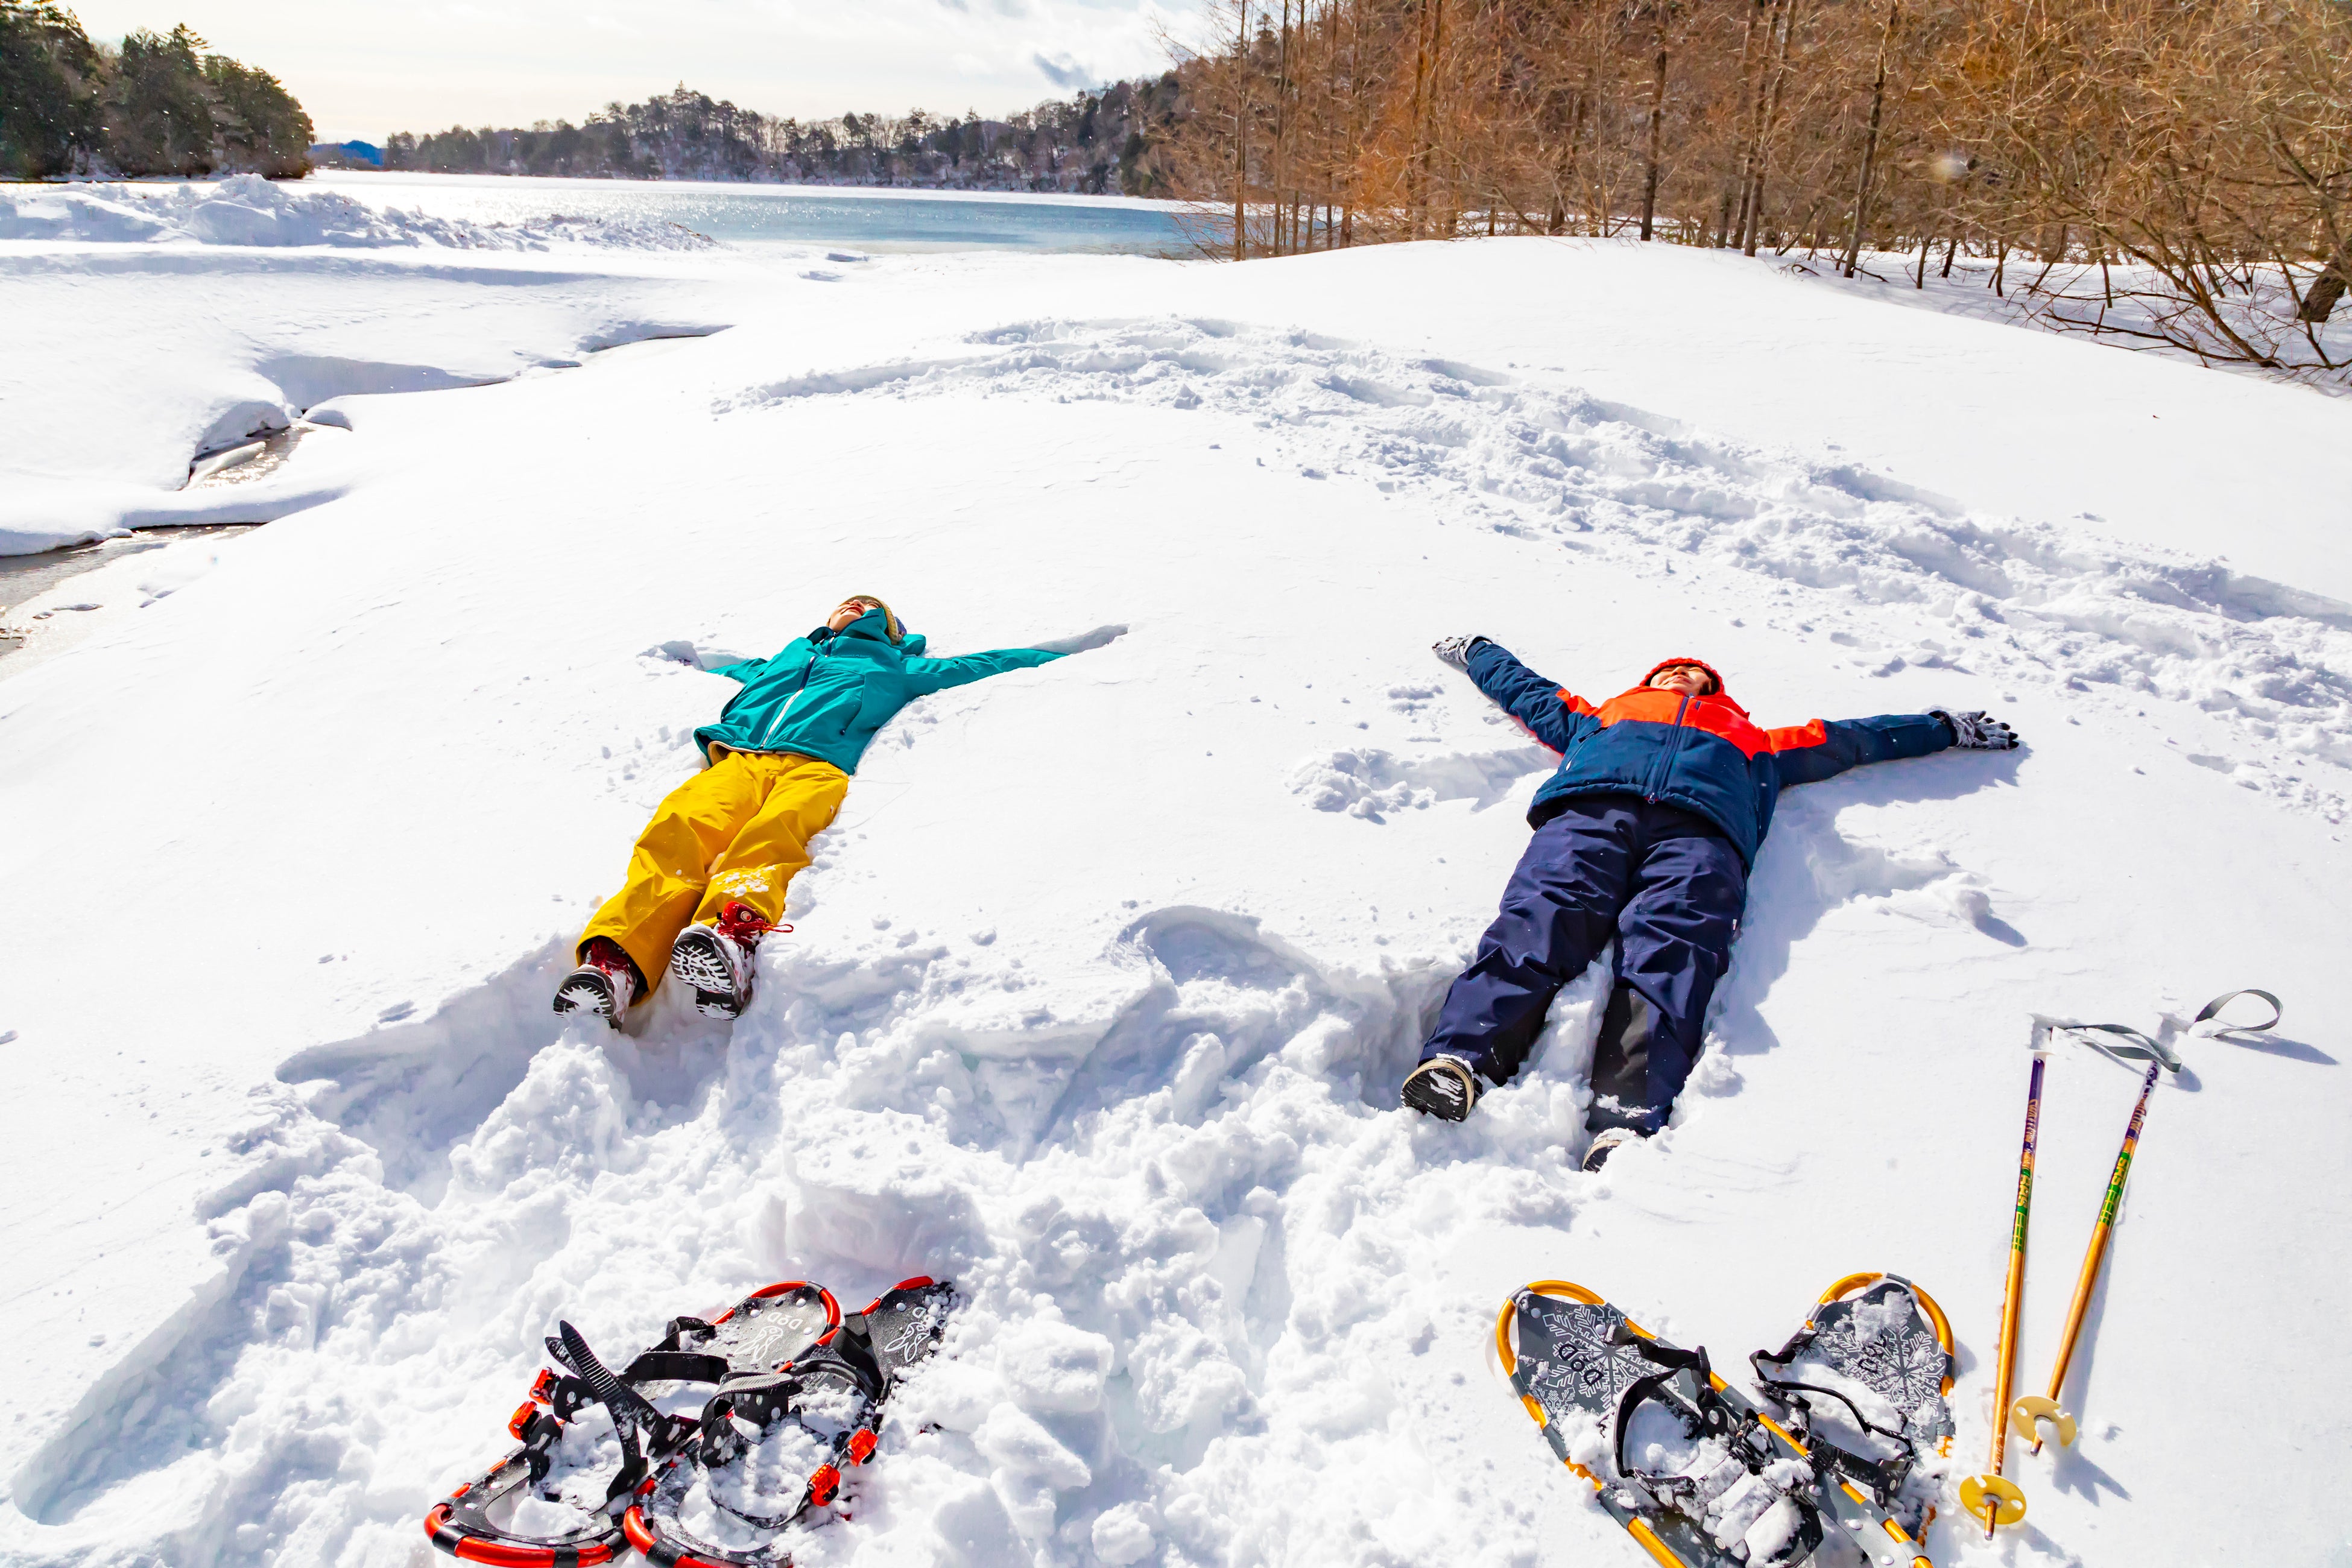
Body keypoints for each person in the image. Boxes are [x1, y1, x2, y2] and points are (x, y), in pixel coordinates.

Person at [1400, 639, 2019, 1168]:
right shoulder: (1604, 716)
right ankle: (1462, 1058)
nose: (1677, 674)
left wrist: (1942, 726)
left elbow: (1852, 740)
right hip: (1592, 813)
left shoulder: (1756, 741)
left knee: (1673, 952)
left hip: (1701, 835)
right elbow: (1529, 692)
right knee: (1541, 921)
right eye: (1666, 670)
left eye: (1691, 671)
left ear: (1715, 689)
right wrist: (1479, 650)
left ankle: (1629, 1108)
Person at [555, 595, 1069, 1023]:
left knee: (772, 838)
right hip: (739, 759)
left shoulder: (896, 664)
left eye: (871, 605)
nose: (855, 603)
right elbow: (744, 671)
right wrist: (687, 663)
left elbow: (977, 666)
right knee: (678, 831)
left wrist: (1066, 653)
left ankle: (730, 937)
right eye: (849, 600)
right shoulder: (793, 655)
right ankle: (616, 963)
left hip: (816, 766)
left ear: (890, 629)